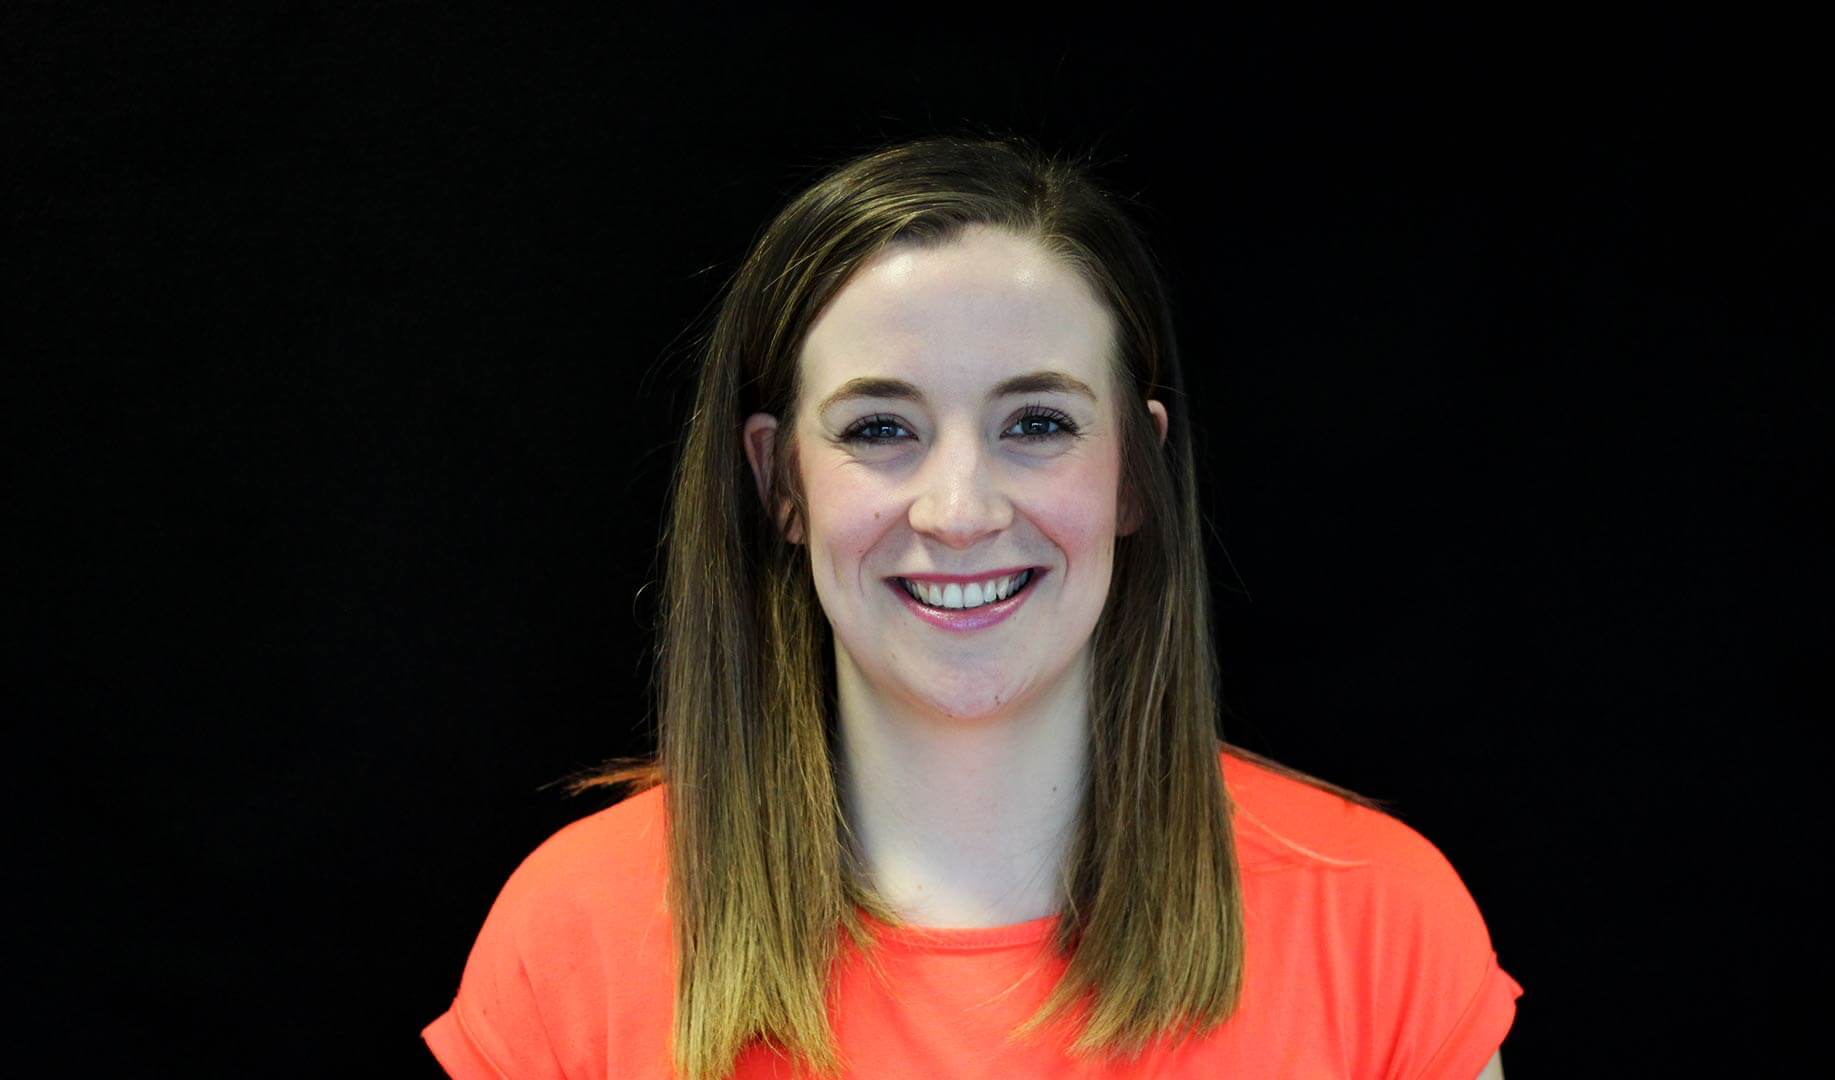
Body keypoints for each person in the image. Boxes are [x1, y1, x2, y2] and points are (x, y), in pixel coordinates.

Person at [421, 132, 1522, 1080]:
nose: (958, 511)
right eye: (880, 429)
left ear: (1135, 474)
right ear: (780, 483)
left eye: (1037, 424)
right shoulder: (573, 933)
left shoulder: (1381, 924)